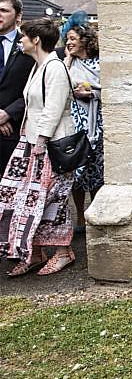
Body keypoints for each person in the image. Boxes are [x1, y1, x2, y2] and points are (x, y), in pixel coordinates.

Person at [0, 18, 77, 276]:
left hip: (51, 145)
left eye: (23, 37)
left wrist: (40, 142)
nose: (19, 40)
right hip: (33, 141)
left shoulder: (54, 67)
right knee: (26, 199)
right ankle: (33, 252)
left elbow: (53, 109)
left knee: (55, 200)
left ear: (36, 40)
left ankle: (63, 252)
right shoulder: (39, 66)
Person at [63, 19, 103, 232]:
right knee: (76, 173)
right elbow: (59, 83)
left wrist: (92, 94)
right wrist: (68, 60)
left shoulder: (98, 63)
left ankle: (95, 211)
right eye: (67, 39)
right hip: (76, 124)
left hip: (97, 123)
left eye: (73, 39)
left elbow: (106, 88)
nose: (68, 43)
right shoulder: (68, 63)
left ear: (85, 41)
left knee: (96, 171)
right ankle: (79, 216)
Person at [0, 0, 34, 176]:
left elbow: (36, 88)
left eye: (4, 10)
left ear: (18, 16)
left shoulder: (30, 46)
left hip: (13, 132)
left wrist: (8, 113)